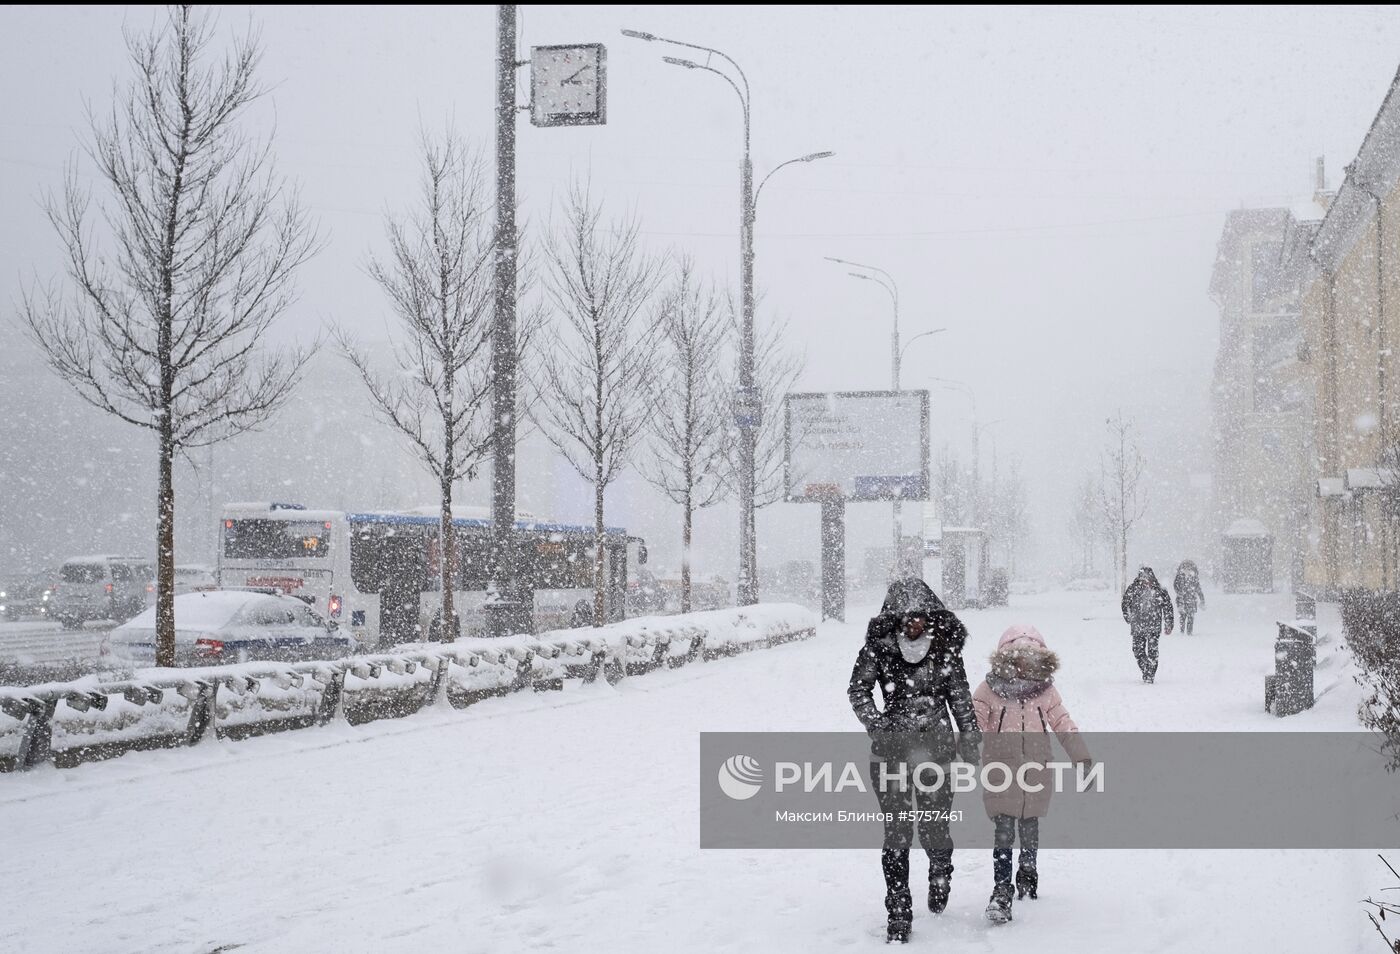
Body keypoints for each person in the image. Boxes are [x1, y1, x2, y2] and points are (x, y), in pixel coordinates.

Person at [848, 578, 982, 944]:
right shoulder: (878, 648)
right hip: (891, 753)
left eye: (920, 616)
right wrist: (878, 726)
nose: (914, 623)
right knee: (897, 833)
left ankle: (940, 870)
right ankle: (898, 909)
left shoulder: (945, 650)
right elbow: (858, 690)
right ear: (893, 616)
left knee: (934, 828)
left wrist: (970, 737)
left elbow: (960, 698)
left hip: (936, 751)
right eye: (906, 616)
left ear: (931, 616)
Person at [972, 625, 1091, 924]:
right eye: (1017, 657)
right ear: (1006, 658)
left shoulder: (1046, 692)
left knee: (1029, 825)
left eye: (1030, 658)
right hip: (1000, 767)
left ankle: (1027, 867)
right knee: (1003, 830)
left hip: (1035, 768)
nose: (1024, 664)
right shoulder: (988, 690)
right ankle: (1001, 890)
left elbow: (1063, 723)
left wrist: (1082, 757)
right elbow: (972, 723)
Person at [1121, 566, 1174, 683]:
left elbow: (1168, 607)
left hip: (1153, 626)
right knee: (1137, 651)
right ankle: (1147, 669)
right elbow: (1125, 603)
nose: (1145, 581)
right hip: (1137, 626)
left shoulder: (1159, 590)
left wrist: (1169, 623)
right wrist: (1127, 617)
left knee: (1153, 652)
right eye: (1143, 578)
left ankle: (1150, 675)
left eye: (1147, 578)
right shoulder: (1133, 589)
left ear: (1152, 578)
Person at [1172, 560, 1206, 635]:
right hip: (1181, 600)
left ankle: (1189, 632)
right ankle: (1182, 631)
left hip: (1192, 600)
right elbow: (1175, 586)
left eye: (1189, 567)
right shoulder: (1179, 577)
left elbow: (1198, 589)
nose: (1187, 569)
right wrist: (1179, 592)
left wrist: (1202, 599)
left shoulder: (1194, 578)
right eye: (1185, 567)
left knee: (1190, 617)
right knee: (1182, 616)